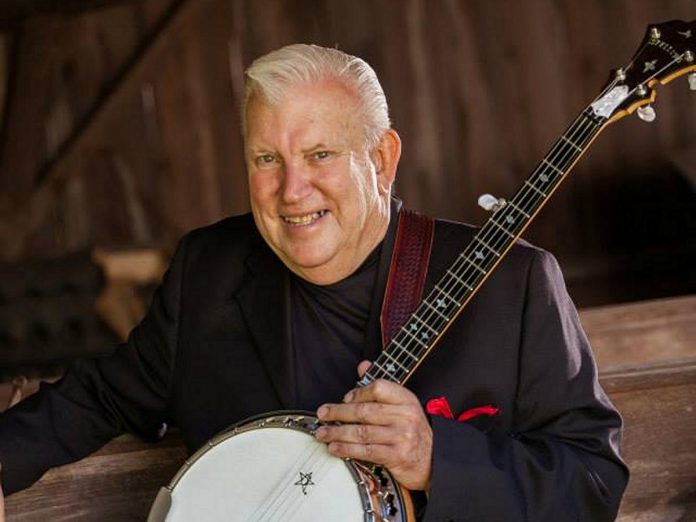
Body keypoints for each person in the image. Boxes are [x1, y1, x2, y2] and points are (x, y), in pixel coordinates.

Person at [0, 44, 628, 520]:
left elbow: (592, 483)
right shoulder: (210, 270)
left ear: (380, 160)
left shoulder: (511, 285)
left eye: (320, 155)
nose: (291, 190)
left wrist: (437, 460)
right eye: (267, 159)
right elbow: (103, 397)